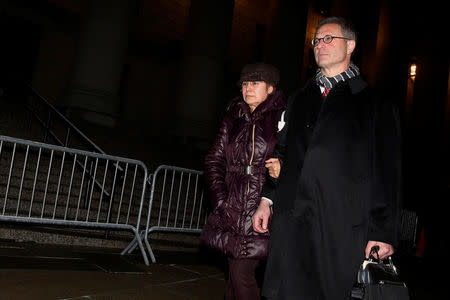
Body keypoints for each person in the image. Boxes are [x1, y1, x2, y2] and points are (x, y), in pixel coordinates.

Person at [252, 17, 402, 300]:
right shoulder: (299, 99)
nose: (320, 45)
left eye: (329, 39)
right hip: (294, 221)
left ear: (350, 46)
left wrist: (382, 231)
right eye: (317, 40)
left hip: (342, 227)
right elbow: (281, 152)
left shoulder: (375, 104)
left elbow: (387, 172)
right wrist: (266, 200)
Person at [201, 62, 286, 300]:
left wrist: (281, 171)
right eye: (245, 84)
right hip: (231, 205)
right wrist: (220, 200)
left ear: (270, 88)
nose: (248, 88)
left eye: (255, 83)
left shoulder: (282, 118)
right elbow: (214, 159)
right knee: (233, 276)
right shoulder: (233, 117)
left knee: (241, 275)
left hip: (263, 206)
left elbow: (293, 155)